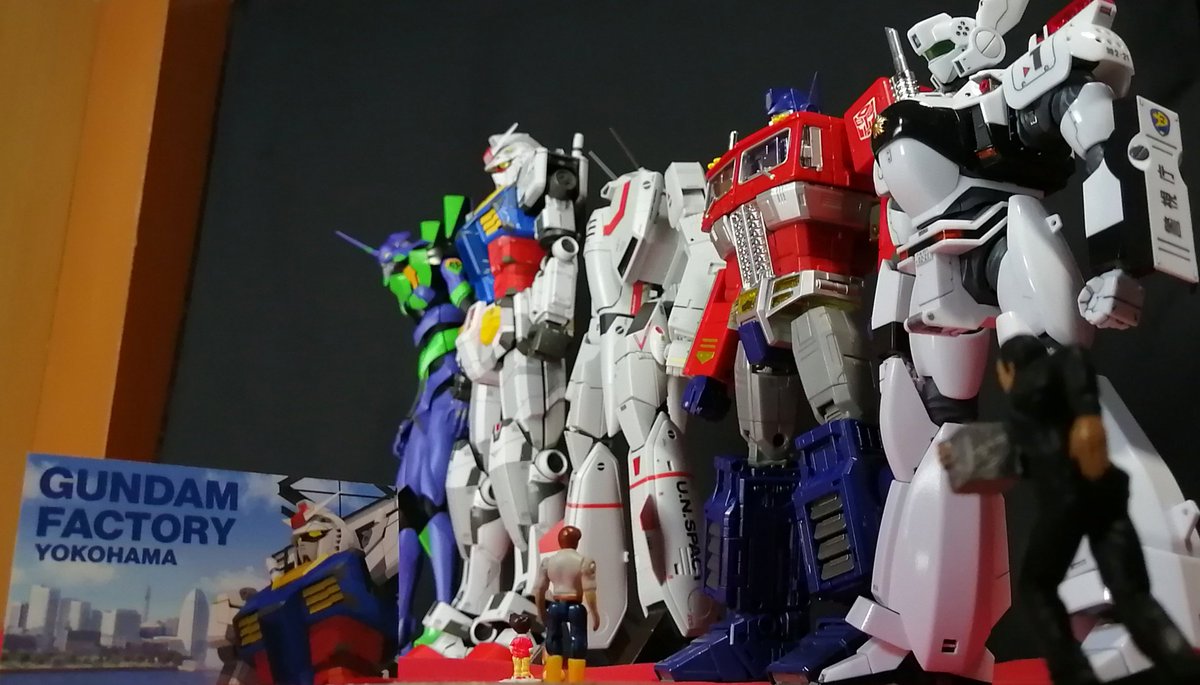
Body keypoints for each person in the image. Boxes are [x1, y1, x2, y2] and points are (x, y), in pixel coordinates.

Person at [942, 335, 1200, 684]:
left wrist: (961, 455)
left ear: (1008, 370)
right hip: (1107, 496)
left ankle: (1073, 673)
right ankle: (1183, 666)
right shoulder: (1057, 395)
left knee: (1037, 586)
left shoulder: (1028, 398)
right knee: (1132, 594)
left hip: (1068, 502)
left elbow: (1068, 365)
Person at [533, 525, 599, 683]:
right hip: (575, 606)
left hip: (555, 607)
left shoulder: (549, 562)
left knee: (553, 640)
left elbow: (538, 590)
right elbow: (589, 591)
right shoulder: (583, 562)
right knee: (579, 640)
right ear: (576, 542)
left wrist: (541, 612)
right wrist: (595, 615)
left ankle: (553, 676)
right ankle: (576, 679)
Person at [507, 613, 535, 680]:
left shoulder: (515, 640)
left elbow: (511, 647)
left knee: (517, 666)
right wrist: (530, 652)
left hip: (516, 656)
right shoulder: (527, 640)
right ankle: (524, 675)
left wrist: (513, 651)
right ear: (529, 629)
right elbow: (531, 649)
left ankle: (517, 674)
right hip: (525, 656)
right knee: (525, 666)